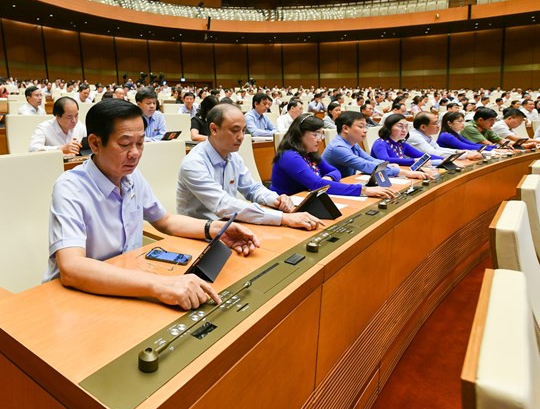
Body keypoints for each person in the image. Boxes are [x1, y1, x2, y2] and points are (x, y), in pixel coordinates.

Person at [45, 99, 259, 309]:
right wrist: (160, 285)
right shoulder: (70, 187)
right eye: (125, 144)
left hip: (126, 284)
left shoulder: (132, 177)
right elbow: (72, 267)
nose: (135, 153)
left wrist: (217, 229)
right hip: (79, 296)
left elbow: (165, 221)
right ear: (94, 143)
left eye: (140, 143)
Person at [177, 105, 324, 230]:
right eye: (235, 130)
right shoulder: (194, 164)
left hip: (228, 225)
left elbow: (253, 189)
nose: (241, 137)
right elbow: (224, 205)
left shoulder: (233, 156)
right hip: (199, 231)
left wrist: (277, 200)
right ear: (214, 129)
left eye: (244, 130)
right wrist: (284, 218)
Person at [271, 114, 397, 198]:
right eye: (315, 135)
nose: (320, 139)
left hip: (310, 199)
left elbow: (334, 171)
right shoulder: (289, 156)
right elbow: (316, 185)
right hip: (289, 205)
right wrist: (364, 190)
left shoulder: (310, 153)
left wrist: (328, 178)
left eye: (321, 135)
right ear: (299, 135)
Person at [322, 111, 428, 180]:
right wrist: (404, 172)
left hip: (347, 182)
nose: (365, 131)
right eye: (361, 127)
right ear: (345, 129)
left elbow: (370, 159)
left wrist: (388, 165)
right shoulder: (338, 148)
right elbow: (365, 165)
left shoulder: (353, 144)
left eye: (366, 127)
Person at [370, 114, 443, 166]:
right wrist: (413, 161)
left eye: (406, 127)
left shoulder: (401, 144)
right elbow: (385, 160)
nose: (404, 130)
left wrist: (444, 159)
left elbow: (422, 155)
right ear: (389, 128)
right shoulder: (380, 143)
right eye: (400, 126)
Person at [407, 112, 482, 160]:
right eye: (435, 123)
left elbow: (438, 148)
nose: (438, 126)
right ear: (423, 127)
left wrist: (458, 151)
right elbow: (433, 153)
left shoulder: (426, 135)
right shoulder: (415, 137)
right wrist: (464, 155)